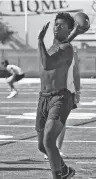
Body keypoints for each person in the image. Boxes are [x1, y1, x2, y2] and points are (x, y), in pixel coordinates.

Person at [36, 12, 81, 179]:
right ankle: (66, 171)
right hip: (43, 98)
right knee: (42, 146)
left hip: (60, 97)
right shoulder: (55, 46)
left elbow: (47, 64)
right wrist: (75, 31)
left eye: (61, 25)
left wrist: (39, 40)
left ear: (67, 29)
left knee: (49, 141)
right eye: (56, 24)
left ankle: (58, 176)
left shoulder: (66, 48)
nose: (56, 26)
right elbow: (62, 40)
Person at [44, 47, 81, 160]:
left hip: (68, 91)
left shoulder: (73, 51)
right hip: (51, 90)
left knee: (62, 121)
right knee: (49, 121)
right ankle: (49, 149)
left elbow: (75, 72)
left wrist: (77, 91)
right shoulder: (50, 49)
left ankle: (58, 149)